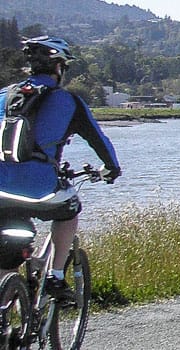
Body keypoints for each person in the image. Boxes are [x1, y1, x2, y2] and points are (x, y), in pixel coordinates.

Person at [0, 36, 121, 303]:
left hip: (1, 190)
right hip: (40, 189)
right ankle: (56, 276)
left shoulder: (3, 96)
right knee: (70, 209)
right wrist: (111, 169)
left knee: (7, 255)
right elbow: (99, 141)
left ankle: (7, 311)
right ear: (59, 67)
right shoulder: (68, 101)